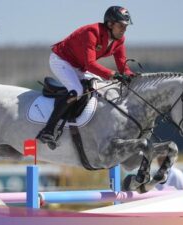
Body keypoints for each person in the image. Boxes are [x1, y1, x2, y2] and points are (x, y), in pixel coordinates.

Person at [37, 6, 135, 147]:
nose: (124, 29)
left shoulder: (120, 40)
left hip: (78, 66)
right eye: (121, 26)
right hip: (61, 60)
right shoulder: (92, 32)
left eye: (125, 26)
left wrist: (132, 76)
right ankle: (48, 130)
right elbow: (90, 64)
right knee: (77, 90)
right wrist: (113, 74)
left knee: (99, 86)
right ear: (110, 23)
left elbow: (122, 66)